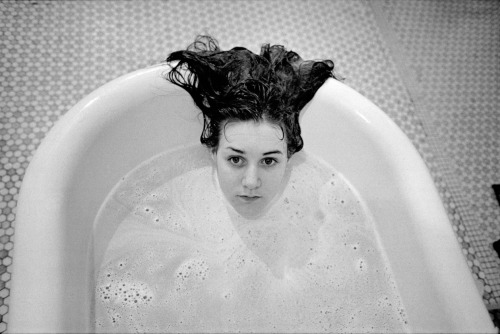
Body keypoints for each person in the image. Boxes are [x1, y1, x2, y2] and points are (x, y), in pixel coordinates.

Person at [165, 35, 337, 218]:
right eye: (236, 159)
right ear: (213, 151)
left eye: (269, 161)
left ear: (289, 156)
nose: (251, 182)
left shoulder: (321, 209)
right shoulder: (174, 202)